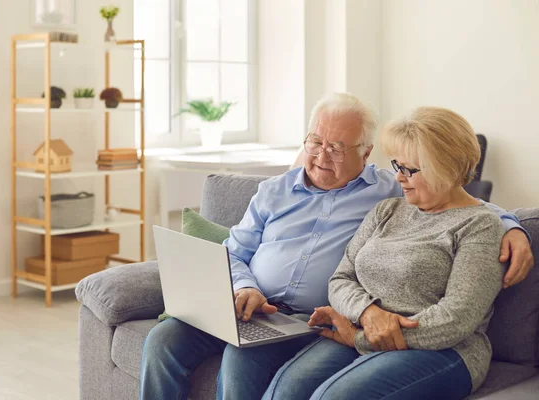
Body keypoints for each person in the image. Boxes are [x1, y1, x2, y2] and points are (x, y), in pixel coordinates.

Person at [140, 93, 533, 400]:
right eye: (315, 141)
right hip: (254, 306)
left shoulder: (386, 190)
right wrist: (245, 287)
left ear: (365, 155)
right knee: (163, 341)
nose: (321, 155)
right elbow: (246, 254)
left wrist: (513, 225)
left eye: (337, 147)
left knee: (254, 367)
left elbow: (462, 204)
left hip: (314, 321)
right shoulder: (284, 193)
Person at [262, 106, 513, 399]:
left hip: (444, 351)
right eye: (397, 166)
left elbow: (456, 319)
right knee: (287, 390)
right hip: (360, 329)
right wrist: (367, 312)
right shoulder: (387, 210)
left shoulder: (480, 226)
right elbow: (341, 279)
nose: (398, 178)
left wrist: (360, 337)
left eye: (409, 169)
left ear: (446, 168)